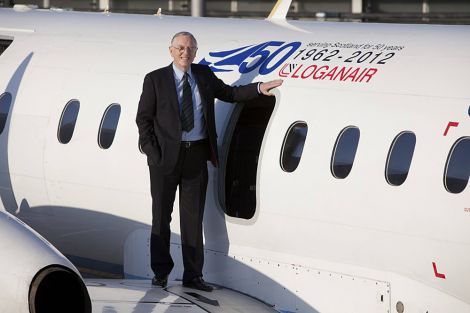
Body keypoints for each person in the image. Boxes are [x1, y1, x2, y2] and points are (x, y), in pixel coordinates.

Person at [136, 31, 282, 292]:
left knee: (192, 221)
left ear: (195, 51)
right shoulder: (155, 80)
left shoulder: (203, 75)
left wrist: (259, 88)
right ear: (171, 50)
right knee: (161, 218)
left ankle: (194, 276)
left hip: (195, 155)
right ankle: (160, 273)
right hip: (164, 160)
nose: (185, 53)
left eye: (190, 48)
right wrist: (153, 154)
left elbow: (229, 93)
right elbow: (143, 120)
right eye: (180, 48)